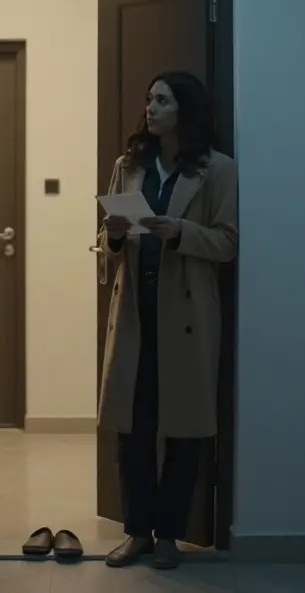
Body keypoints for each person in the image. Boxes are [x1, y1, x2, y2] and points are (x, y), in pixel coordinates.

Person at [97, 71, 238, 569]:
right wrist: (114, 235)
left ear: (186, 110)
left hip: (188, 315)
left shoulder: (217, 170)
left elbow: (227, 242)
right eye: (149, 99)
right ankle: (137, 531)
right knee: (131, 428)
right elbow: (106, 245)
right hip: (135, 313)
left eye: (162, 100)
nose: (150, 108)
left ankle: (169, 536)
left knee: (184, 429)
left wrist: (178, 230)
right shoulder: (130, 165)